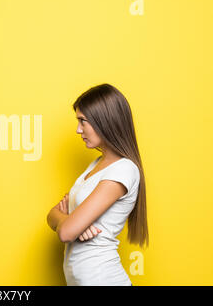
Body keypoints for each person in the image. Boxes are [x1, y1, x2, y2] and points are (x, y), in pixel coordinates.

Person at [46, 84, 148, 286]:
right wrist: (69, 221)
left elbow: (66, 232)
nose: (78, 130)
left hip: (103, 279)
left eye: (83, 121)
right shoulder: (95, 165)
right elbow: (52, 215)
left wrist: (70, 224)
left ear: (105, 121)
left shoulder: (124, 169)